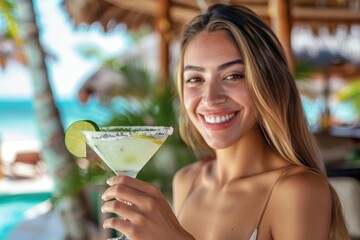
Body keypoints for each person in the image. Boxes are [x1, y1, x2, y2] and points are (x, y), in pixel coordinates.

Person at [101, 3, 349, 240]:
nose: (210, 98)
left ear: (268, 83)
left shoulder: (297, 190)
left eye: (233, 76)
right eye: (195, 79)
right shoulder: (187, 180)